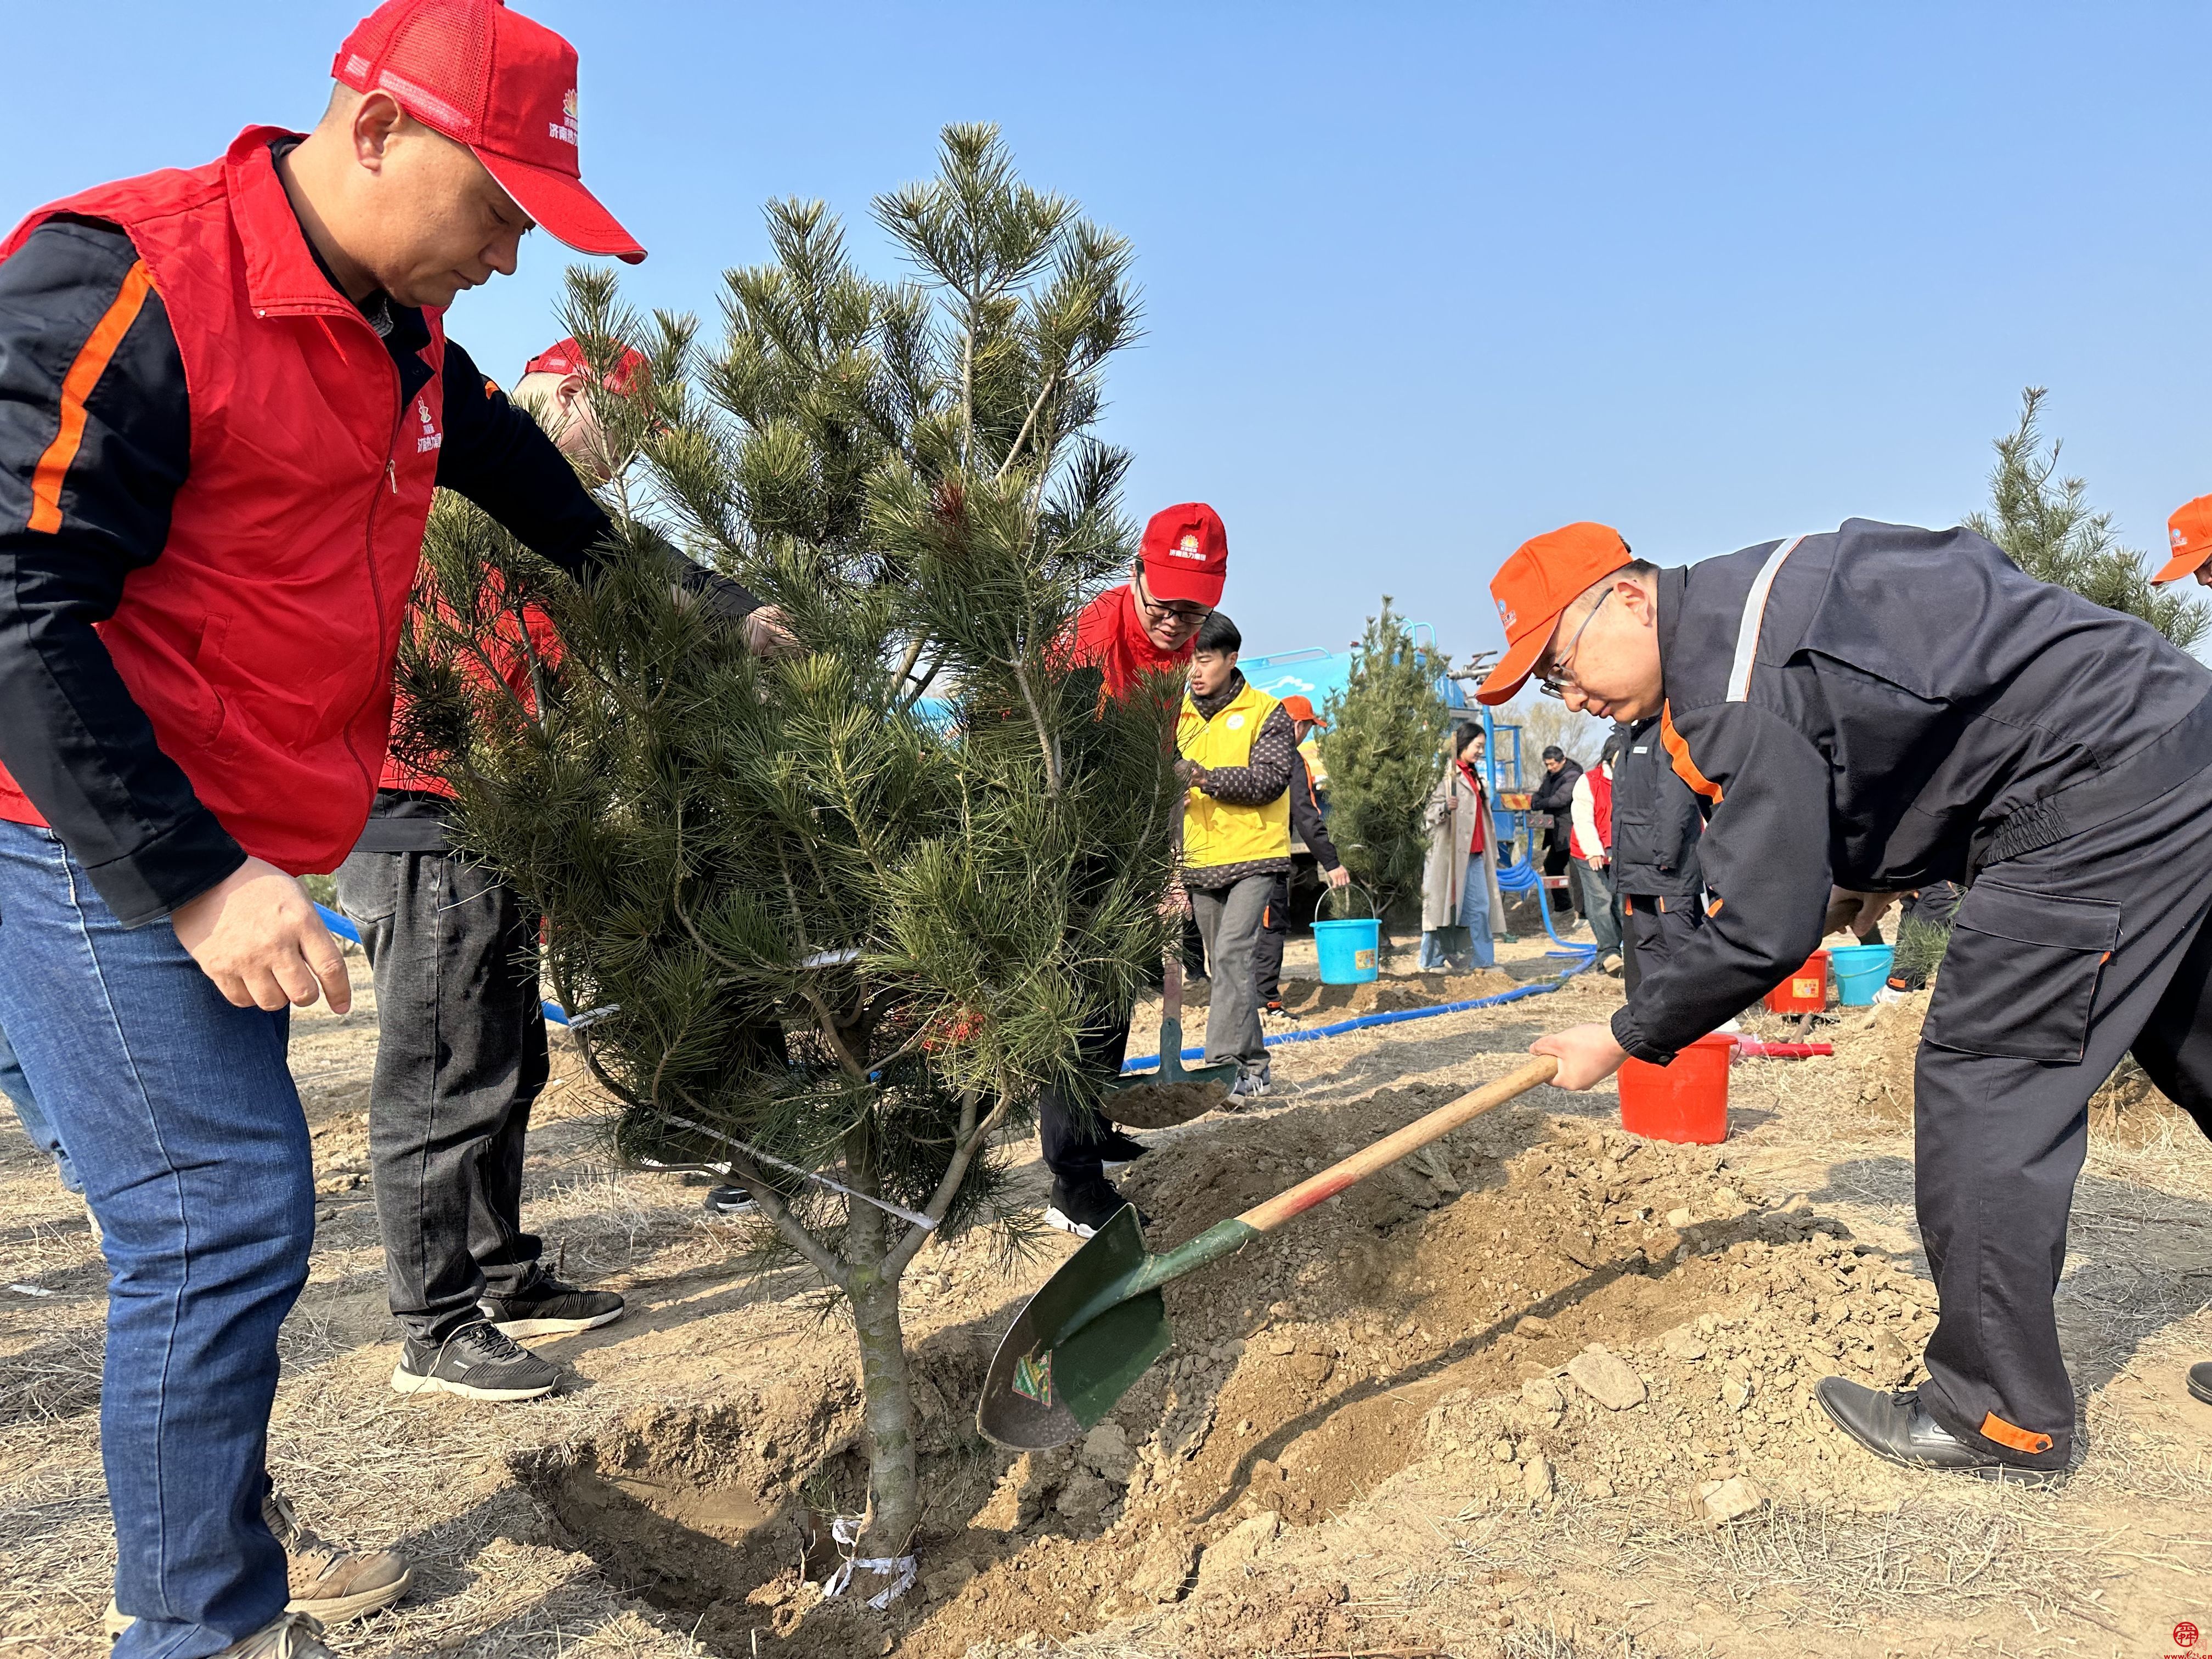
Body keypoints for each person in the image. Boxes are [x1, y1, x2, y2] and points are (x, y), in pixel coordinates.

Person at [0, 4, 746, 1652]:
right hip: (68, 822)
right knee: (215, 1209)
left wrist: (690, 601)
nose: (505, 255)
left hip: (209, 830)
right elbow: (12, 602)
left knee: (186, 1227)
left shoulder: (397, 328)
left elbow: (509, 468)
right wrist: (198, 886)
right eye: (496, 208)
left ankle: (215, 1518)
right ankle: (201, 1625)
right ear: (376, 129)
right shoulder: (131, 276)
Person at [1481, 516, 2212, 1481]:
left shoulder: (1734, 682)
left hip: (2091, 791)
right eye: (1544, 685)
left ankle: (1995, 1413)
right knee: (2198, 1039)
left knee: (1986, 1081)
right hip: (2175, 744)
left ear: (1627, 597)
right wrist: (1860, 868)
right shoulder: (1755, 602)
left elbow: (1761, 930)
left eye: (1560, 661)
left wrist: (1622, 1033)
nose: (1567, 693)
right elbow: (1902, 730)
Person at [337, 336, 789, 1403]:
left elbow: (637, 566)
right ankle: (434, 1324)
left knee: (506, 1060)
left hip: (503, 816)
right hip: (428, 808)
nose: (623, 457)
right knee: (446, 1070)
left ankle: (500, 1274)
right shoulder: (469, 494)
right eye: (618, 429)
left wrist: (742, 615)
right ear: (567, 399)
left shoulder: (540, 509)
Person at [1042, 503, 1229, 1236]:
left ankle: (1095, 1129)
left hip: (1125, 831)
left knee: (1117, 989)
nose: (1177, 625)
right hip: (1063, 835)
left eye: (1194, 611)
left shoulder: (1172, 645)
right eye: (1164, 605)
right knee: (1079, 1007)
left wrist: (1160, 857)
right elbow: (1056, 759)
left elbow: (1149, 750)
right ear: (1134, 574)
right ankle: (1072, 1183)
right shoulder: (1089, 641)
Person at [1176, 611, 1294, 1103]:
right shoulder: (1174, 717)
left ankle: (1222, 1069)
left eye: (1204, 660)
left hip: (1254, 857)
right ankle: (1255, 1067)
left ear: (1232, 659)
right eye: (1189, 661)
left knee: (1231, 957)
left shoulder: (1268, 712)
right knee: (1227, 966)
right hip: (1201, 860)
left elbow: (1271, 780)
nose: (1195, 671)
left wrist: (1202, 777)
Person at [1255, 694, 1350, 1018]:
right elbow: (1307, 815)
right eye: (1309, 727)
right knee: (1270, 926)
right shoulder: (1291, 759)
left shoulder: (1250, 748)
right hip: (1265, 855)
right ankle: (1265, 1002)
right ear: (1297, 725)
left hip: (1228, 853)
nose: (1308, 734)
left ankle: (1240, 1001)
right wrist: (1332, 863)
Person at [1609, 715, 1706, 997]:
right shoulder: (1629, 736)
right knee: (1646, 939)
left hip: (1665, 864)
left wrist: (1667, 853)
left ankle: (1698, 1006)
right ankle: (1657, 1010)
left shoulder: (1666, 733)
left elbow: (1676, 798)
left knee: (1679, 939)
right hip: (1634, 860)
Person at [1418, 723, 1502, 971]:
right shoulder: (1445, 777)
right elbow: (1428, 814)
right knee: (1442, 907)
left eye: (1482, 747)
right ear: (1463, 745)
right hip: (1449, 854)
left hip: (1476, 854)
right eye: (1477, 746)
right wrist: (1445, 808)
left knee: (1480, 909)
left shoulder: (1474, 776)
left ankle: (1483, 962)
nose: (1480, 752)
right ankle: (1431, 961)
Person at [1569, 737, 1622, 962]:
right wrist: (1593, 850)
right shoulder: (1588, 781)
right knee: (1601, 901)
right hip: (1589, 851)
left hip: (1620, 852)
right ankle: (1608, 953)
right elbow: (1583, 819)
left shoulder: (1632, 780)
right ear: (1610, 757)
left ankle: (1625, 949)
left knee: (1622, 902)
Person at [1528, 744, 1584, 916]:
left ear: (1563, 760)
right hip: (1558, 832)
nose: (1551, 768)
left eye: (1553, 764)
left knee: (1579, 873)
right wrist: (1537, 801)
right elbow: (1540, 793)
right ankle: (1564, 907)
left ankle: (1584, 913)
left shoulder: (1573, 775)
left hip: (1573, 831)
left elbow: (1561, 800)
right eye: (1548, 765)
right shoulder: (1551, 776)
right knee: (1552, 866)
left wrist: (1539, 803)